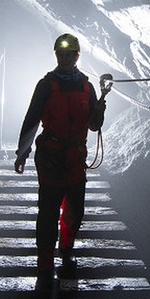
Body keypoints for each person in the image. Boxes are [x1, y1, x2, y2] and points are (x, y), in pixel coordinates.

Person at [14, 33, 106, 280]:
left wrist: (100, 109)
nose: (65, 58)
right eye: (61, 54)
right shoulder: (46, 85)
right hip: (51, 157)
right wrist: (23, 152)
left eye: (69, 54)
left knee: (75, 210)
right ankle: (45, 262)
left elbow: (94, 126)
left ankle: (66, 250)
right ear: (57, 56)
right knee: (48, 212)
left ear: (77, 56)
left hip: (75, 158)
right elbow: (32, 119)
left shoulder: (87, 87)